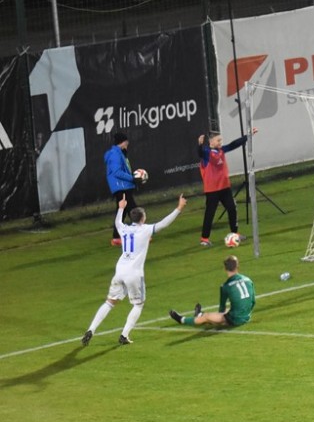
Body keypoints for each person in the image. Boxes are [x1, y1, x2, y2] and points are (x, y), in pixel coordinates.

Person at [81, 194, 187, 346]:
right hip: (134, 274)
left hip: (120, 270)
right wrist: (179, 208)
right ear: (143, 218)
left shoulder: (124, 229)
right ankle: (124, 335)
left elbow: (117, 222)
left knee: (110, 302)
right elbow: (164, 224)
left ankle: (91, 329)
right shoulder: (146, 229)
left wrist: (121, 208)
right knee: (138, 304)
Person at [197, 127, 257, 246]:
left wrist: (248, 136)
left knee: (232, 208)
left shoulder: (221, 150)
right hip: (212, 190)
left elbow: (233, 144)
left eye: (221, 140)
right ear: (211, 141)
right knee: (210, 213)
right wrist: (199, 145)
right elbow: (200, 153)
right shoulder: (206, 153)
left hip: (224, 187)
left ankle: (235, 233)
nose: (221, 142)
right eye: (218, 140)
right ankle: (204, 238)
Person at [169, 255, 256, 328]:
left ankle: (182, 320)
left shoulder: (225, 286)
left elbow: (221, 309)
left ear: (225, 268)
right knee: (229, 310)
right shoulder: (248, 280)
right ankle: (199, 315)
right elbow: (253, 301)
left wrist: (219, 317)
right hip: (247, 316)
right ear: (237, 266)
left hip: (235, 320)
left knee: (207, 317)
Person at [105, 131, 139, 247]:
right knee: (133, 209)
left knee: (122, 211)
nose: (128, 144)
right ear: (123, 142)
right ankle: (140, 233)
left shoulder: (119, 153)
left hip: (122, 186)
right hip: (121, 186)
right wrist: (132, 178)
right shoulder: (115, 154)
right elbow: (117, 172)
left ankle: (116, 237)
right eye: (126, 142)